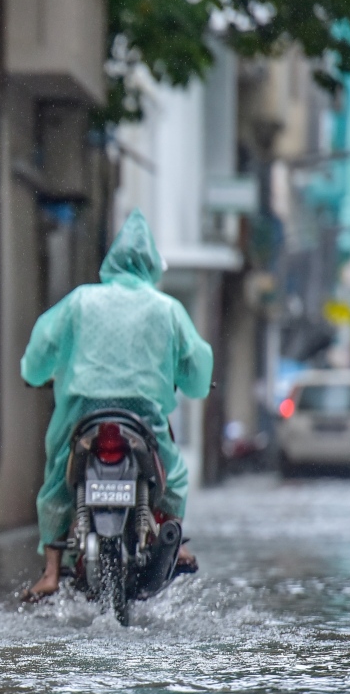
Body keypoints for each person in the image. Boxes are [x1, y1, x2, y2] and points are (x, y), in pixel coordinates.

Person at [20, 210, 213, 599]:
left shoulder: (80, 301)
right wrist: (196, 383)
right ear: (151, 265)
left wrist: (34, 373)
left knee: (59, 475)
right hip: (143, 415)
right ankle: (175, 541)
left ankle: (51, 572)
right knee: (172, 473)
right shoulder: (166, 308)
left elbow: (42, 345)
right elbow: (195, 365)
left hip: (82, 412)